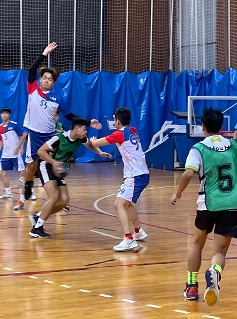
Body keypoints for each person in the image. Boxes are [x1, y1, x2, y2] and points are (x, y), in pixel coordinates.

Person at [171, 108, 237, 306]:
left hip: (208, 203)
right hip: (232, 205)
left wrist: (178, 193)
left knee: (197, 243)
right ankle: (214, 271)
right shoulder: (235, 146)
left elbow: (188, 173)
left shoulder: (199, 148)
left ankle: (191, 286)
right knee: (220, 251)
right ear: (222, 126)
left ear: (203, 127)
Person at [15, 42, 101, 211]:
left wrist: (88, 122)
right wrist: (44, 54)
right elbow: (32, 70)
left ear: (53, 82)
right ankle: (28, 183)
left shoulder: (57, 98)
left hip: (50, 135)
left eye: (50, 79)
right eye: (44, 78)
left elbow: (70, 116)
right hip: (35, 135)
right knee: (31, 167)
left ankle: (60, 198)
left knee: (56, 165)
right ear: (40, 79)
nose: (46, 80)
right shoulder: (33, 89)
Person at [26, 117, 112, 239]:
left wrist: (100, 153)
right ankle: (37, 228)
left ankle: (38, 216)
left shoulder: (80, 138)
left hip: (58, 169)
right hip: (46, 165)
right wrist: (54, 162)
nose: (86, 132)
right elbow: (41, 151)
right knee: (54, 196)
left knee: (64, 200)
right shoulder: (59, 138)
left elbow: (89, 144)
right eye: (84, 129)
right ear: (76, 128)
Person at [87, 108, 150, 252]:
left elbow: (96, 144)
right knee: (126, 204)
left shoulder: (120, 134)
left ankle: (128, 239)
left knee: (118, 204)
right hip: (142, 173)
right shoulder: (132, 130)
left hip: (135, 175)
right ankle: (138, 231)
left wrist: (93, 140)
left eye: (115, 119)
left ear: (118, 121)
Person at [0, 108, 28, 200]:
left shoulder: (14, 125)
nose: (4, 115)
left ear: (9, 115)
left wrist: (21, 148)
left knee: (23, 173)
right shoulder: (0, 127)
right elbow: (0, 141)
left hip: (15, 154)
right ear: (0, 115)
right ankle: (8, 193)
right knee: (2, 173)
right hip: (5, 154)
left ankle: (30, 190)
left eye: (6, 113)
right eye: (3, 113)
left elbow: (22, 136)